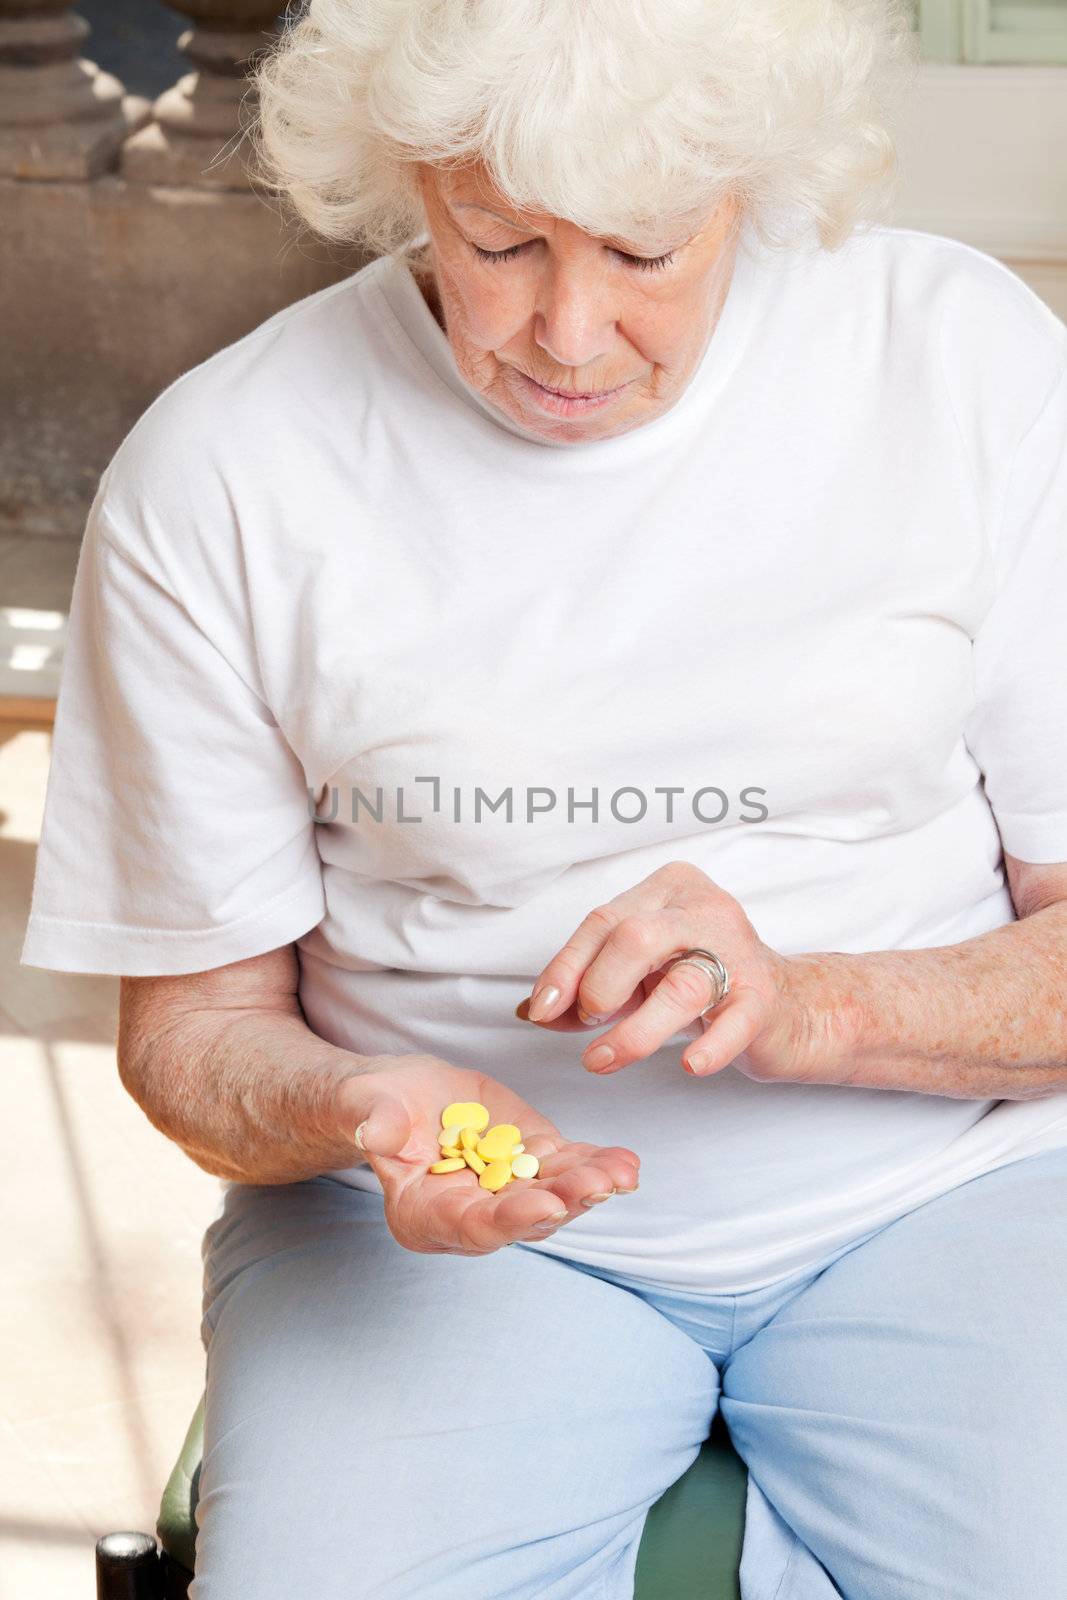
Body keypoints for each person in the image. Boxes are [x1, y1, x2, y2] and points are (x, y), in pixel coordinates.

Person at [21, 0, 1067, 1594]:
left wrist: (816, 1007)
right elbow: (187, 1036)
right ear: (406, 179)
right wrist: (354, 1106)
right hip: (430, 1251)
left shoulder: (963, 362)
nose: (567, 336)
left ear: (751, 188)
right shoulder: (225, 469)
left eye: (648, 250)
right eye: (496, 240)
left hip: (959, 1188)